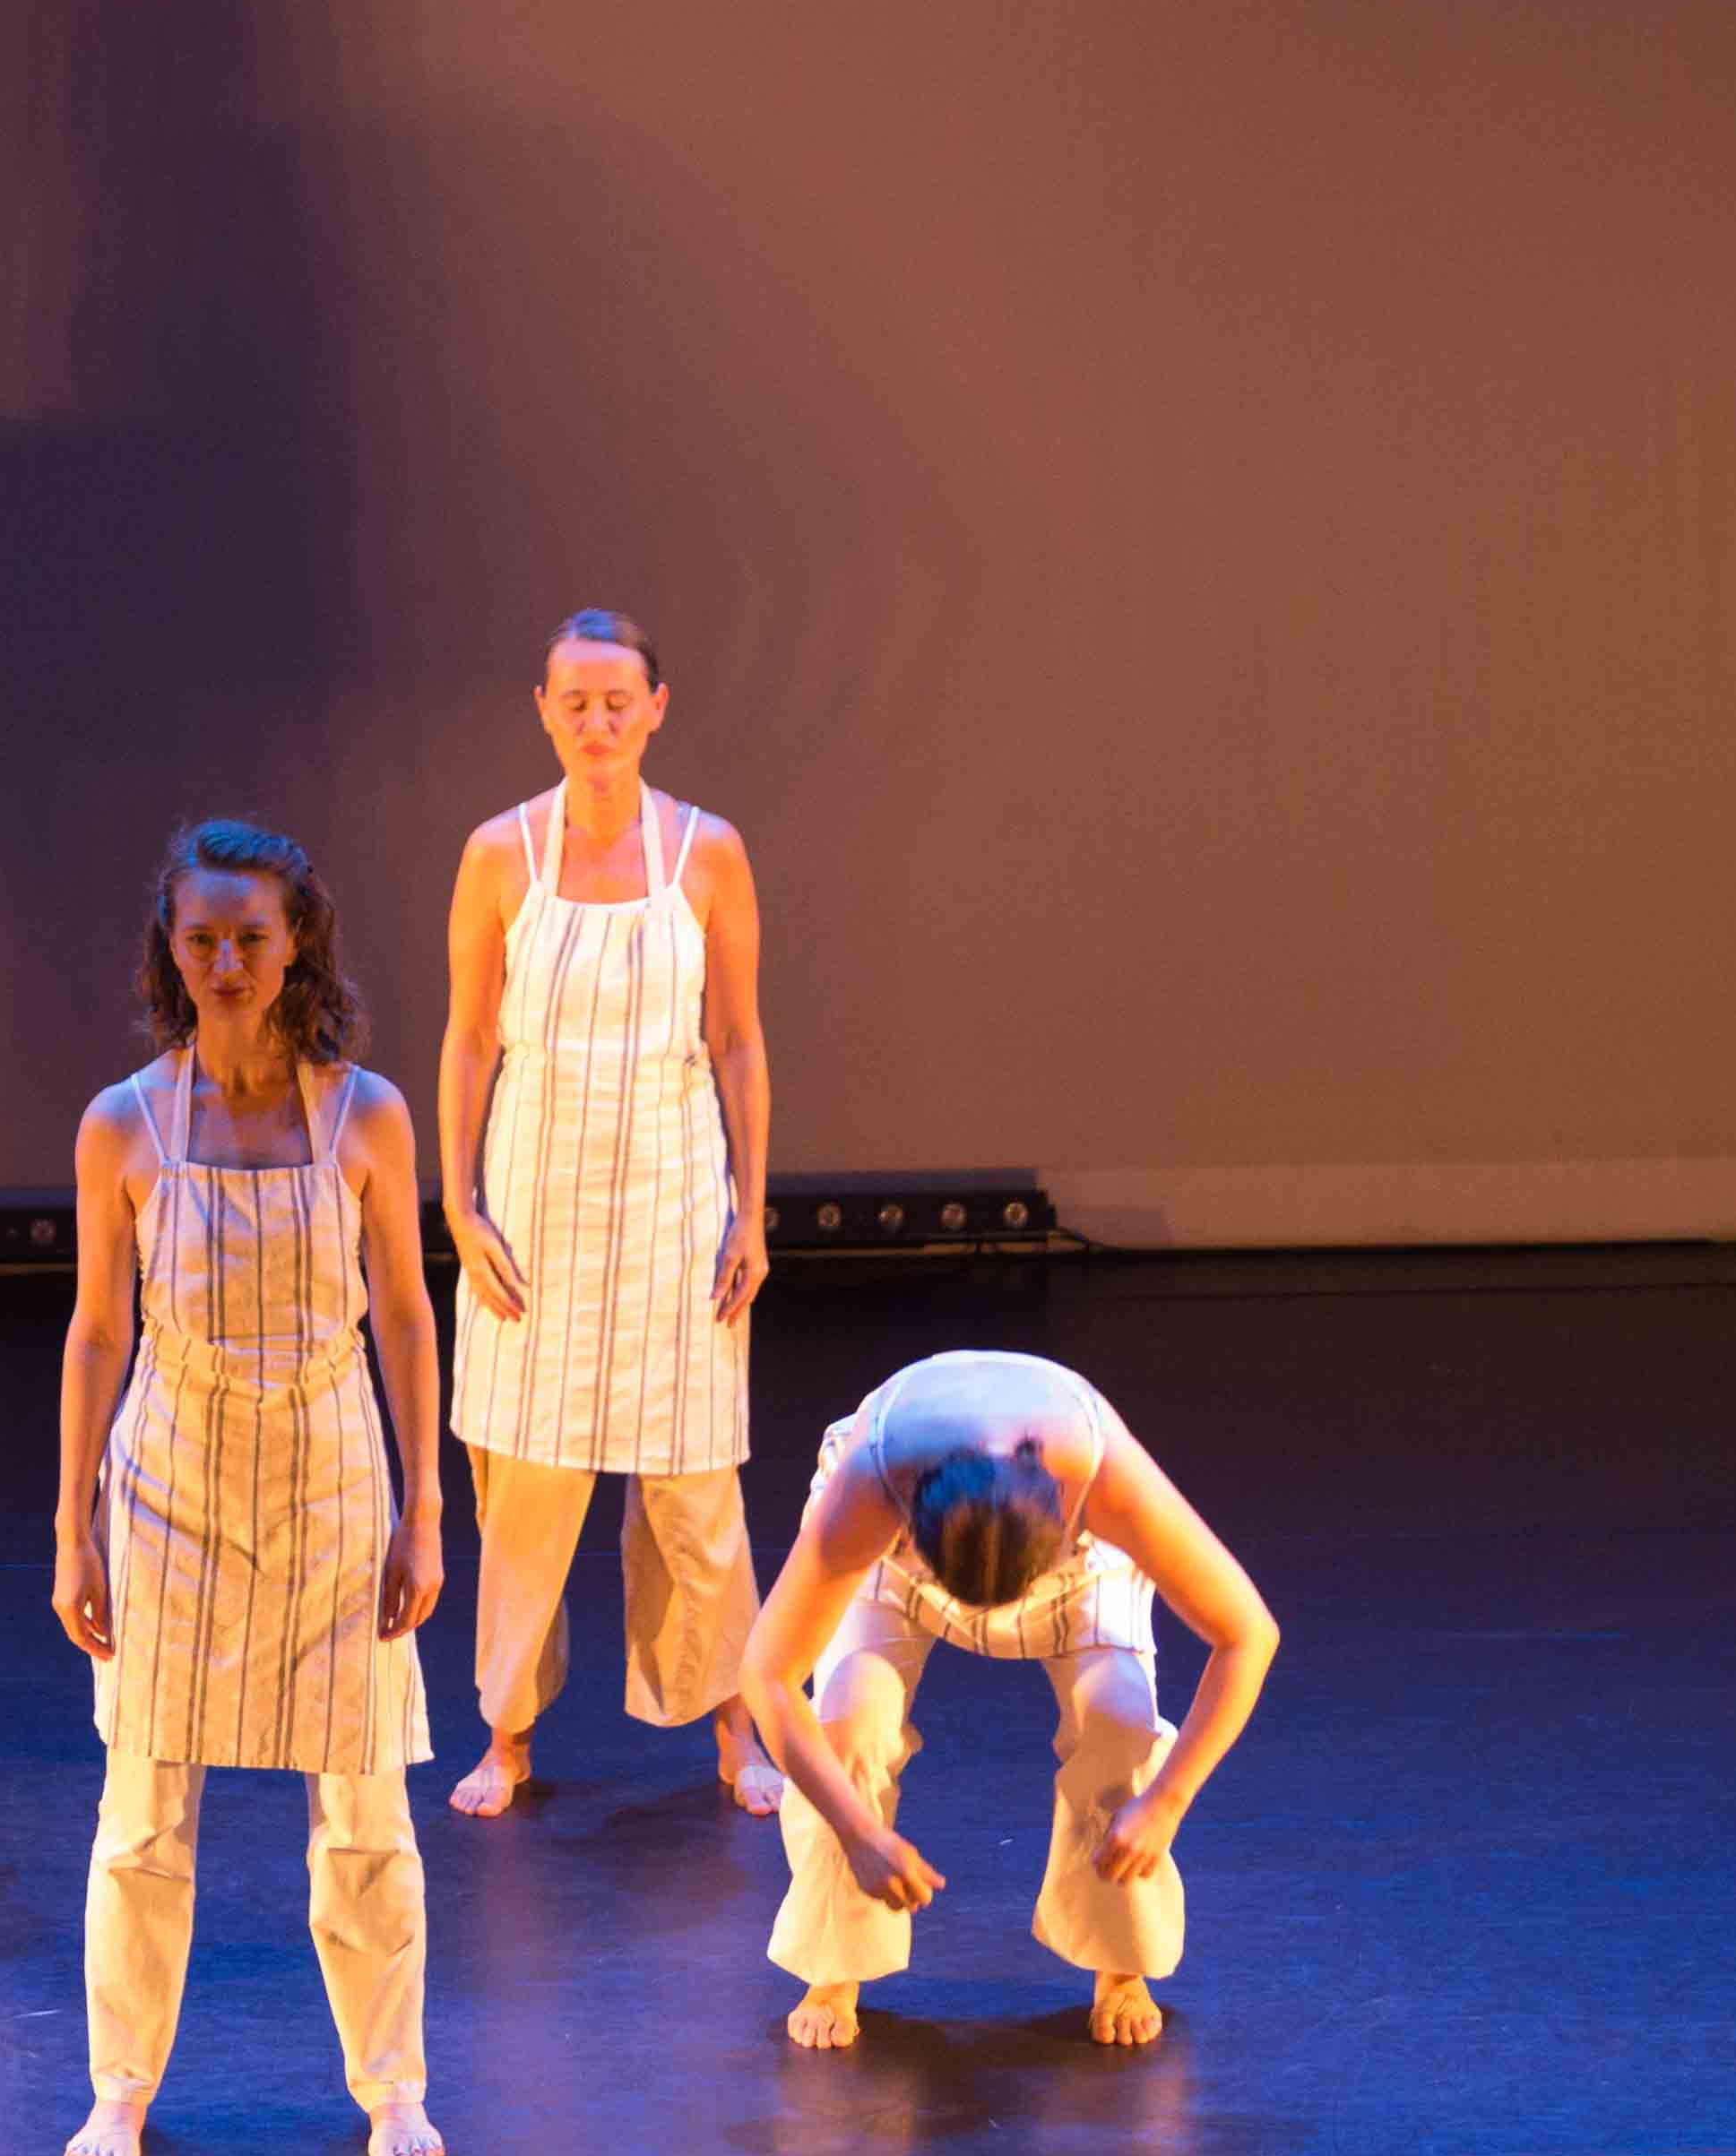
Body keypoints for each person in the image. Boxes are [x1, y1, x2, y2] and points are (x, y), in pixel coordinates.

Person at [48, 821, 448, 2156]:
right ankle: (119, 2086)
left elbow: (405, 1312)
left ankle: (392, 2083)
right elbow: (97, 1331)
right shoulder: (125, 1121)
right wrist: (70, 1529)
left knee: (366, 1813)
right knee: (142, 1812)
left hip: (331, 1476)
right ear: (171, 949)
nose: (227, 961)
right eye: (203, 938)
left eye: (251, 938)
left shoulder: (365, 1113)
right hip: (172, 1478)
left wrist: (424, 1508)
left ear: (296, 946)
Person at [443, 608, 782, 1820]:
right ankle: (506, 1733)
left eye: (615, 701)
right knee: (525, 1484)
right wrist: (459, 1202)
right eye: (574, 702)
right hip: (535, 1202)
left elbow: (736, 1039)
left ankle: (738, 1727)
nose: (596, 722)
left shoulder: (707, 852)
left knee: (693, 1479)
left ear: (655, 709)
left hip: (673, 1200)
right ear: (543, 711)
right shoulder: (499, 854)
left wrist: (750, 1211)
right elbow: (469, 1038)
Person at [740, 1352, 1280, 2049]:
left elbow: (1247, 1635)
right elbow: (768, 1676)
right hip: (898, 1562)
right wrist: (857, 1833)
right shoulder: (867, 1491)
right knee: (848, 1722)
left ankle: (1119, 1966)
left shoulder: (1107, 1481)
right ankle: (832, 1965)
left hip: (1076, 1574)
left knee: (1118, 1724)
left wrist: (1167, 1803)